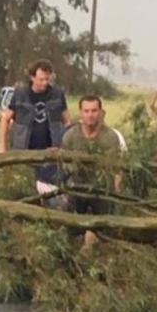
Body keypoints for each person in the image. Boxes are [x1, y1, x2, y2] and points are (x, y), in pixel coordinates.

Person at [0, 59, 71, 192]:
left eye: (47, 79)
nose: (45, 83)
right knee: (24, 187)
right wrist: (2, 147)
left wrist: (65, 146)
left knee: (50, 189)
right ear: (32, 77)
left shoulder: (57, 94)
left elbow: (67, 122)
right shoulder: (20, 94)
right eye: (41, 79)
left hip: (50, 154)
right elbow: (5, 119)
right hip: (24, 152)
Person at [61, 95, 124, 249]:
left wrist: (115, 189)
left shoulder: (110, 137)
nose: (90, 115)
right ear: (81, 113)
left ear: (100, 112)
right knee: (71, 227)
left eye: (94, 111)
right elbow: (64, 165)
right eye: (87, 111)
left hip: (101, 189)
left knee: (106, 230)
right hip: (77, 186)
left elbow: (114, 168)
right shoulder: (71, 135)